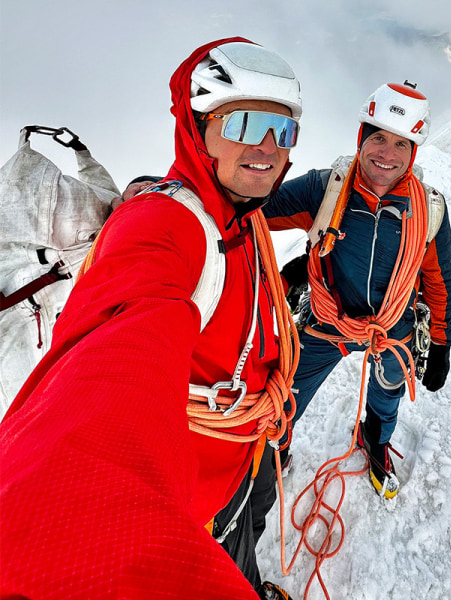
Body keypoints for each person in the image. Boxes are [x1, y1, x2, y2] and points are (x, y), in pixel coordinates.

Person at [0, 38, 300, 600]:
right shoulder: (165, 227)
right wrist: (67, 515)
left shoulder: (240, 215)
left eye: (282, 131)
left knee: (252, 521)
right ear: (197, 129)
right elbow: (118, 357)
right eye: (243, 124)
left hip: (247, 449)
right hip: (195, 488)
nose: (266, 147)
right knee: (229, 543)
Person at [262, 82, 451, 500]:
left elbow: (440, 280)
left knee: (387, 393)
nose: (387, 155)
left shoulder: (429, 209)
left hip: (393, 326)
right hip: (327, 318)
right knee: (286, 393)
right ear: (361, 138)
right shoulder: (325, 189)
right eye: (378, 138)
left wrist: (442, 343)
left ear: (414, 151)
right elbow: (253, 207)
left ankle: (375, 435)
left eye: (401, 144)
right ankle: (275, 444)